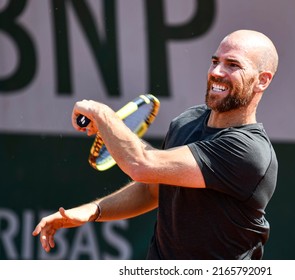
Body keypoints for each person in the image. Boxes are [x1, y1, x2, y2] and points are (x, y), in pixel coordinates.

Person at [32, 29, 279, 260]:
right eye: (215, 61)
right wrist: (93, 210)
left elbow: (143, 164)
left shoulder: (249, 151)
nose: (216, 72)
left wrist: (101, 113)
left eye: (233, 65)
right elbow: (153, 188)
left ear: (262, 80)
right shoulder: (187, 121)